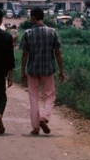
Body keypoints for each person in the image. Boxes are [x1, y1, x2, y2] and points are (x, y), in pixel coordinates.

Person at [19, 7, 65, 136]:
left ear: (34, 17)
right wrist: (61, 70)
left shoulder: (27, 33)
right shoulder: (52, 32)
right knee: (50, 95)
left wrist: (22, 71)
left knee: (33, 97)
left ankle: (35, 127)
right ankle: (44, 117)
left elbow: (24, 55)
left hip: (32, 70)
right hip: (48, 69)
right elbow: (57, 52)